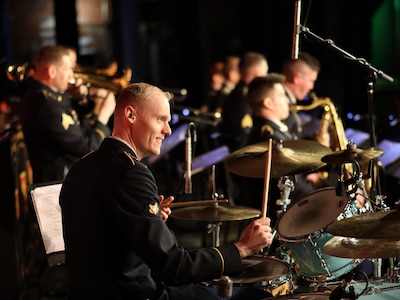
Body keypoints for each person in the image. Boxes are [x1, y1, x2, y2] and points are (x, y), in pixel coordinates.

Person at [59, 82, 274, 300]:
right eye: (160, 119)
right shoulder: (131, 174)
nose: (168, 130)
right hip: (133, 293)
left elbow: (102, 235)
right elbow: (175, 267)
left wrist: (146, 219)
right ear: (130, 115)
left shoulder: (81, 167)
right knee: (253, 296)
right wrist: (242, 248)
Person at [20, 45, 116, 184]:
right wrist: (104, 115)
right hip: (58, 187)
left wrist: (81, 101)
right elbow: (87, 149)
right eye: (67, 69)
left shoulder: (50, 96)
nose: (72, 75)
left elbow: (79, 128)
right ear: (52, 71)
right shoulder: (47, 105)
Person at [218, 52, 269, 206]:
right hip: (243, 170)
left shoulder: (238, 93)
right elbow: (244, 140)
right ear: (257, 74)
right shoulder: (243, 98)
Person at [281, 52, 321, 139]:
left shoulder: (287, 102)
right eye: (311, 81)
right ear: (297, 78)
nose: (312, 87)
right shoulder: (281, 104)